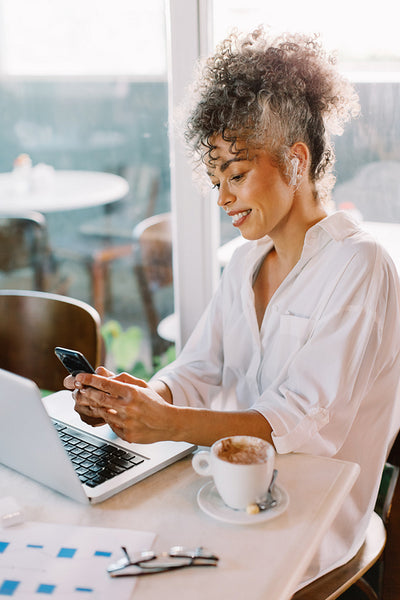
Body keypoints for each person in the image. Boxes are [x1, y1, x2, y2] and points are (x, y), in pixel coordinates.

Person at [65, 28, 400, 586]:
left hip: (312, 526)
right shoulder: (245, 264)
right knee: (104, 552)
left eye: (237, 175)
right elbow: (200, 368)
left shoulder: (359, 266)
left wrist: (168, 422)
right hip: (229, 498)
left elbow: (300, 424)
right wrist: (148, 398)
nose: (221, 197)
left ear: (296, 161)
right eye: (216, 178)